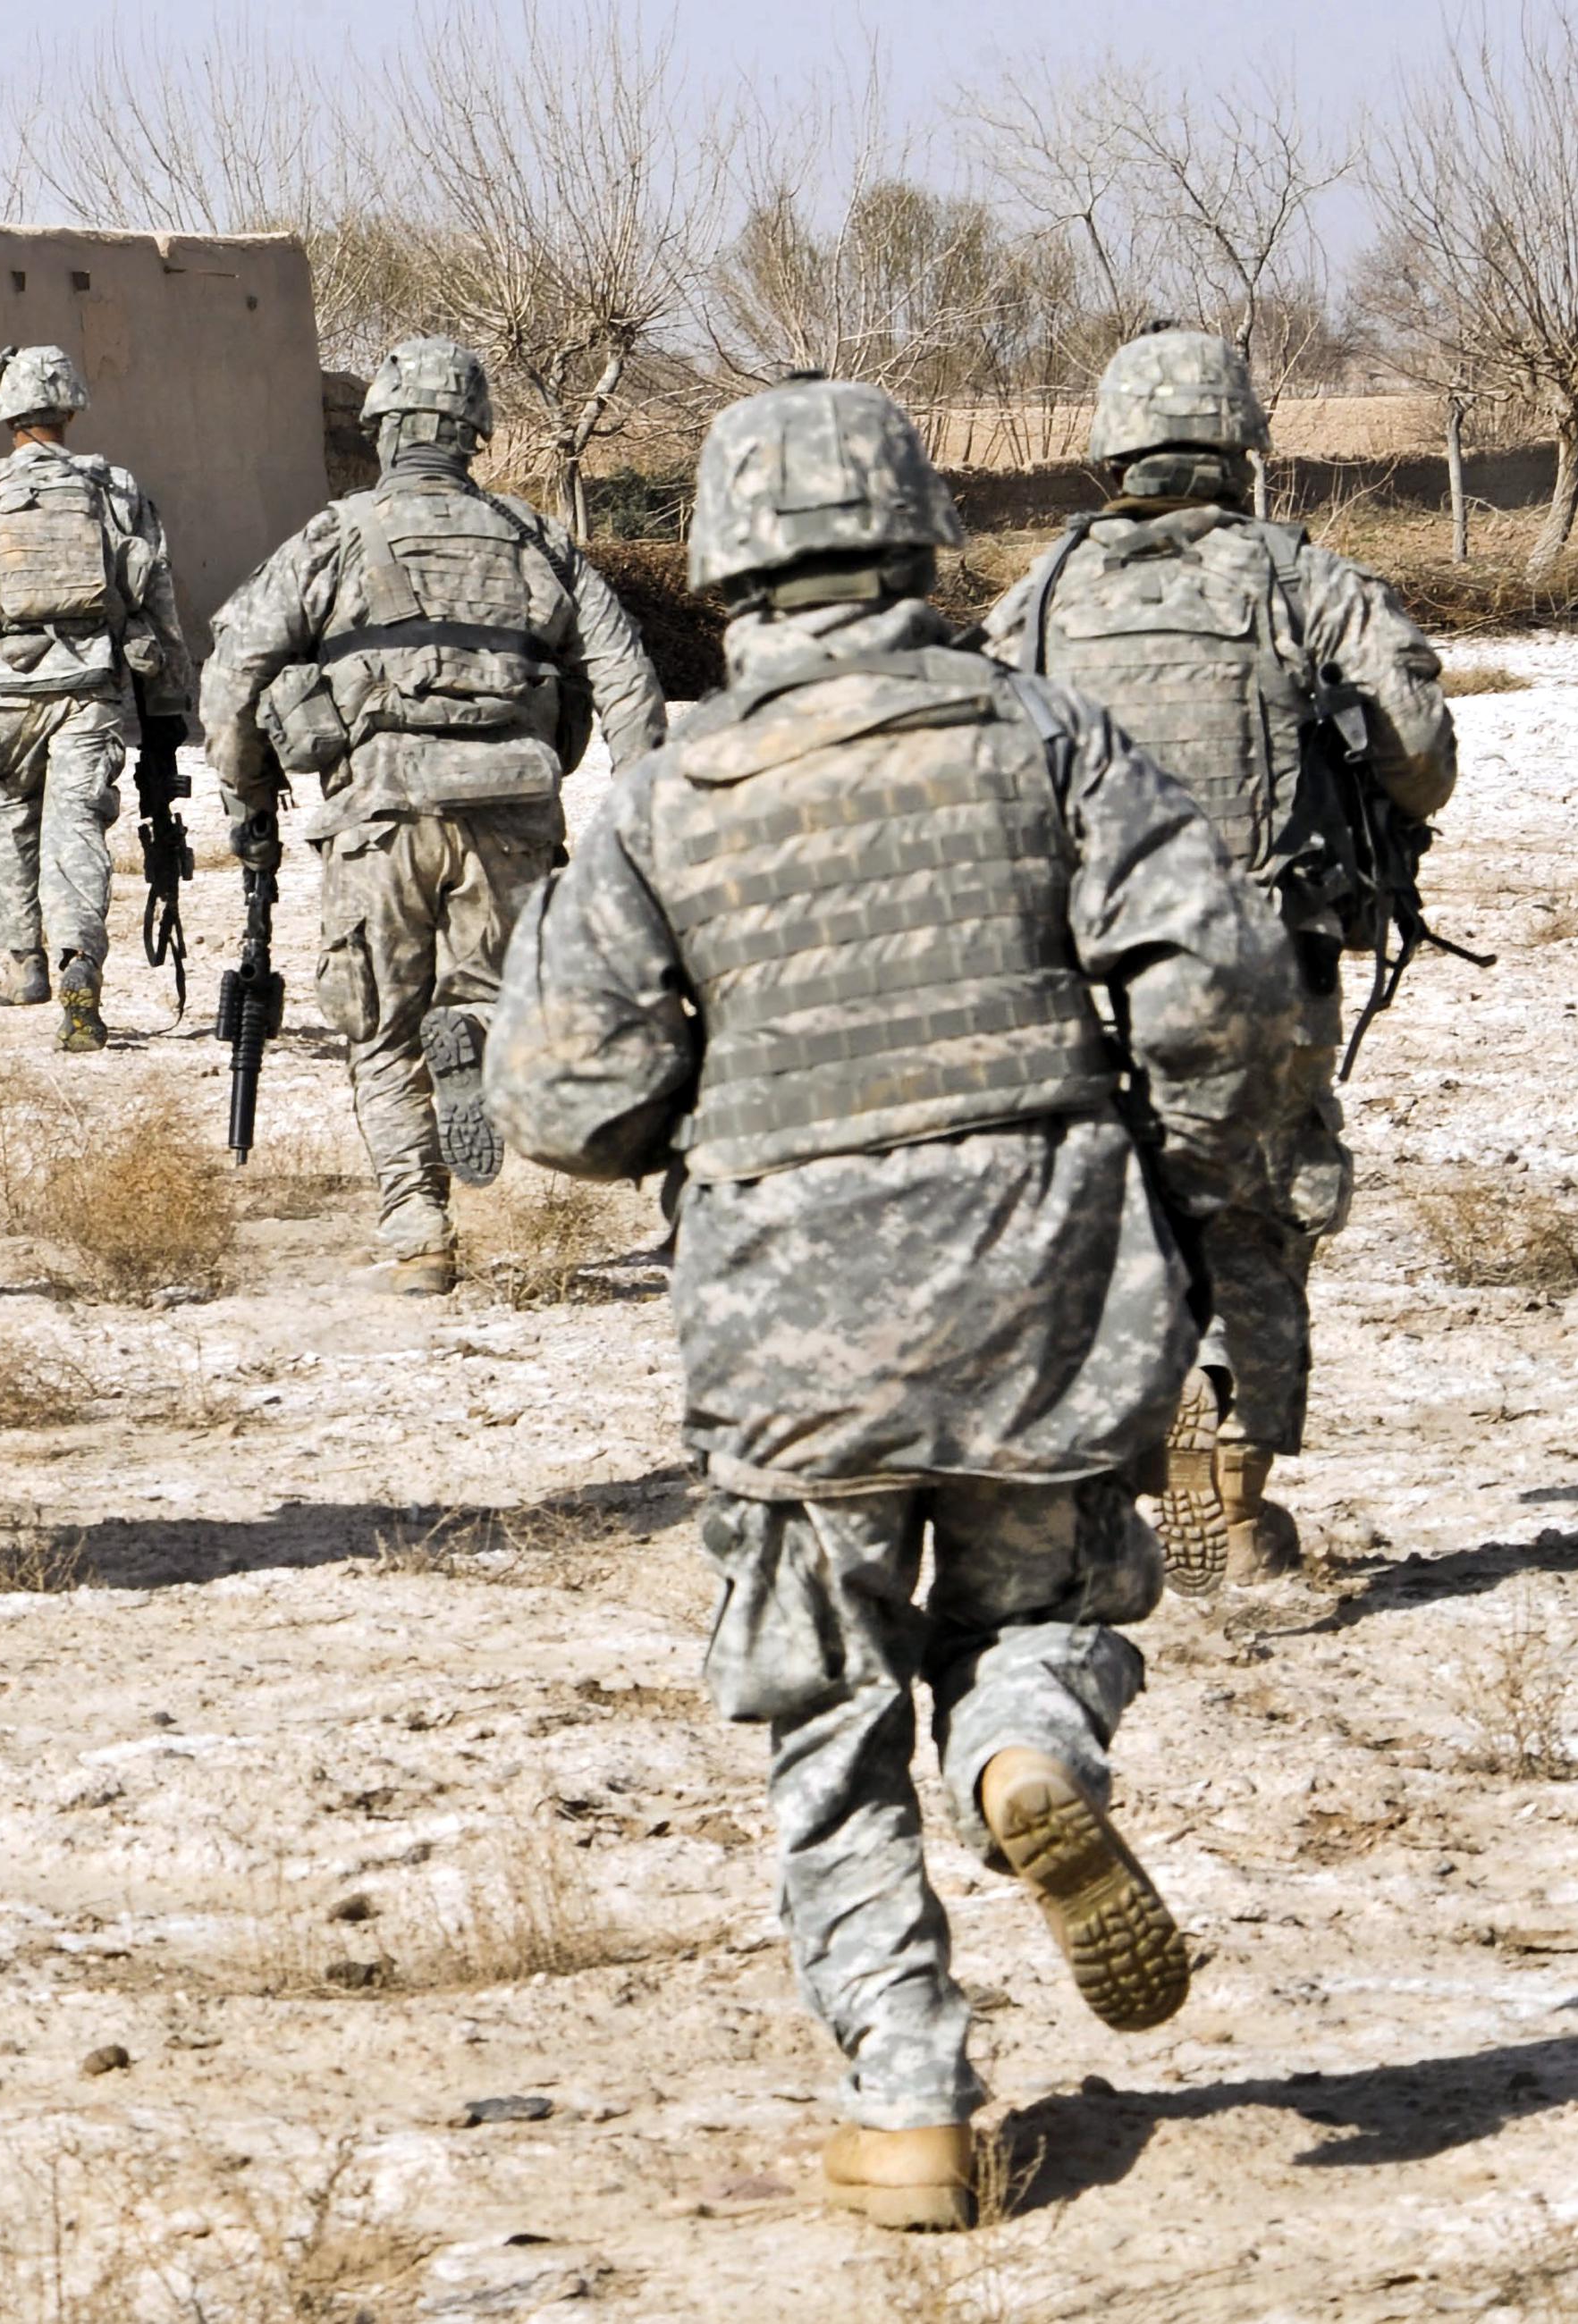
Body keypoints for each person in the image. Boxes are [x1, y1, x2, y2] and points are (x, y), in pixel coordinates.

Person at [489, 375, 1290, 2231]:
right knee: (1052, 1604)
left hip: (791, 1327)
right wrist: (1165, 1176)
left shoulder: (669, 796)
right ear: (920, 540)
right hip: (1045, 1279)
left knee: (826, 1708)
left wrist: (724, 1103)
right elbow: (1221, 993)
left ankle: (910, 2095)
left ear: (728, 566)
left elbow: (559, 1106)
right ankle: (1025, 1752)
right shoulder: (1052, 739)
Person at [985, 327, 1458, 1587]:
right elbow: (1419, 752)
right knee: (1260, 1208)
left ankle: (1120, 1461)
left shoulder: (1041, 597)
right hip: (1260, 956)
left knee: (1102, 1204)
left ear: (1111, 452)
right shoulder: (1303, 579)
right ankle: (1238, 1504)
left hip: (1086, 964)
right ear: (1242, 446)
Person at [197, 337, 666, 1292]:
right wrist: (640, 813)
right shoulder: (535, 539)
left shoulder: (331, 536)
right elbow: (626, 678)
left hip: (379, 814)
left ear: (383, 430)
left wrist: (246, 797)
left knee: (378, 1024)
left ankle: (417, 1229)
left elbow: (234, 671)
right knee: (491, 994)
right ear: (473, 434)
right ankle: (476, 1044)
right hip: (512, 811)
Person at [0, 344, 192, 1051]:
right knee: (77, 832)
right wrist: (166, 709)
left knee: (11, 821)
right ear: (69, 407)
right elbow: (157, 598)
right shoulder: (113, 488)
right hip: (90, 690)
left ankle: (23, 968)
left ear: (4, 410)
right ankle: (79, 966)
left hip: (9, 692)